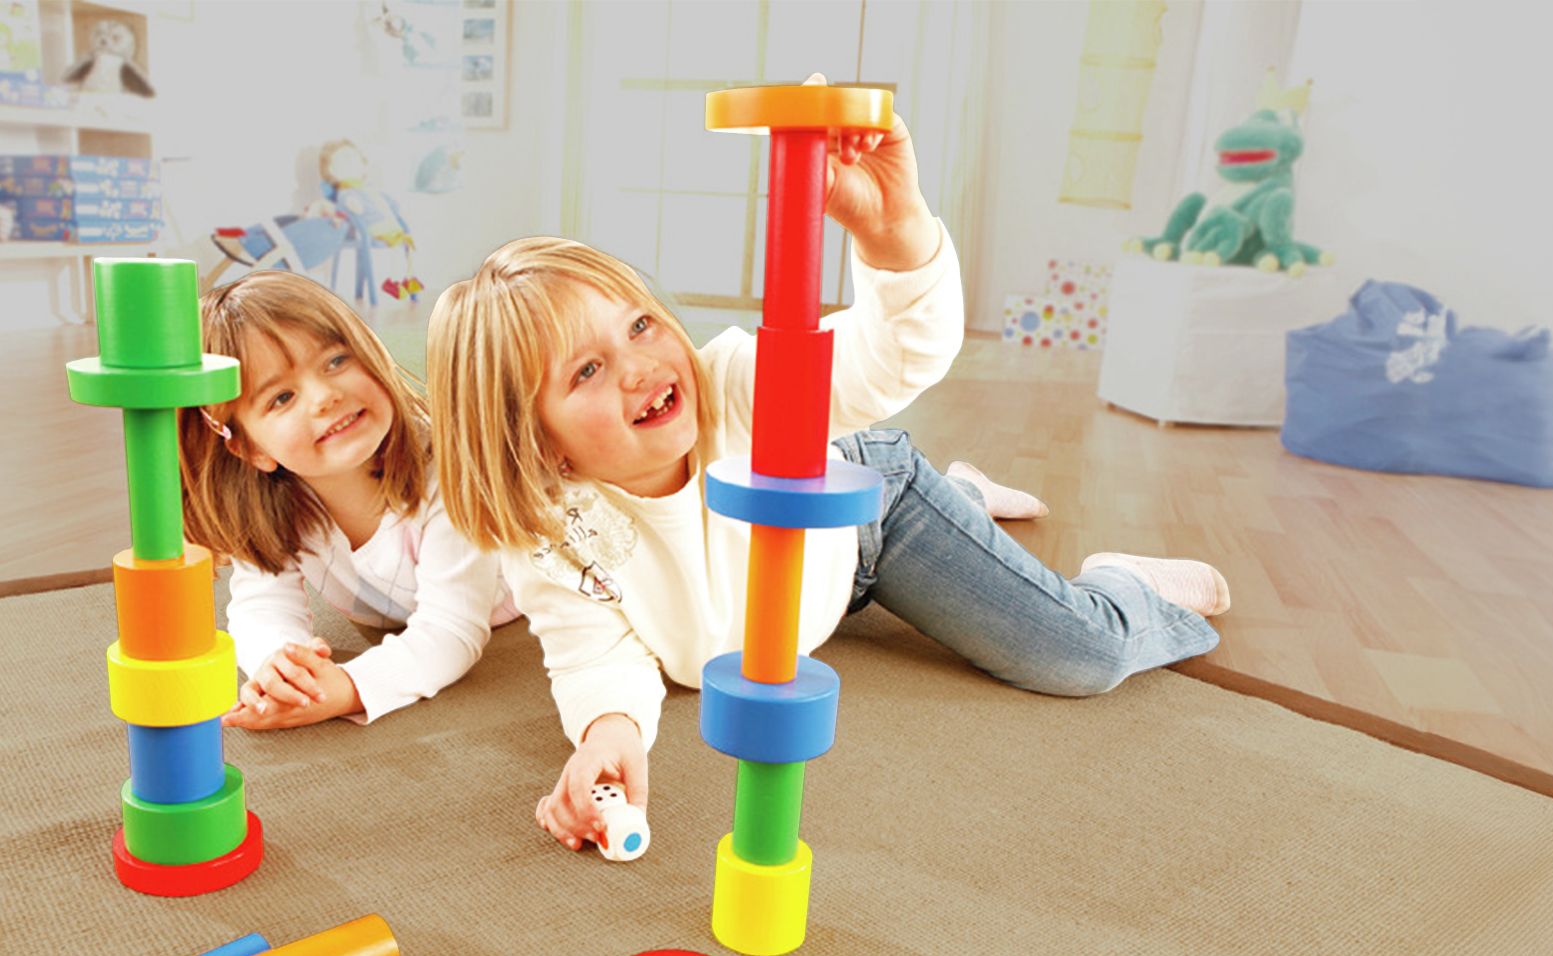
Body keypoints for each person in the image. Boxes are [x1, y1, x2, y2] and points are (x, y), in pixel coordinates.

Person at [426, 77, 1229, 852]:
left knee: (1080, 657)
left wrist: (893, 233)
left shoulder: (733, 382)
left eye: (639, 324)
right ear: (529, 438)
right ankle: (972, 500)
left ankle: (1120, 582)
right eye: (587, 371)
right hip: (785, 604)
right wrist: (610, 732)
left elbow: (891, 361)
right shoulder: (547, 527)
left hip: (868, 521)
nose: (639, 366)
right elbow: (595, 651)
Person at [181, 270, 517, 730]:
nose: (324, 397)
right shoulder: (273, 505)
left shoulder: (453, 470)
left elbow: (451, 631)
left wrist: (345, 687)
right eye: (281, 398)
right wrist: (284, 667)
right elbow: (259, 606)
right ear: (251, 448)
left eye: (336, 361)